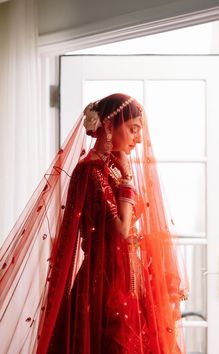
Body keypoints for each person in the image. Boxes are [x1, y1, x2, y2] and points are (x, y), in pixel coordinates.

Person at [0, 93, 188, 354]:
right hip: (103, 284)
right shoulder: (90, 171)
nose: (138, 139)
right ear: (110, 126)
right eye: (133, 129)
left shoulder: (111, 167)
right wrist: (127, 177)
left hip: (127, 279)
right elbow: (123, 228)